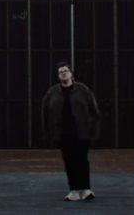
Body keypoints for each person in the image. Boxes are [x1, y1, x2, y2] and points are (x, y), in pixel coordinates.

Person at [41, 61, 100, 201]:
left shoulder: (83, 90)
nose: (63, 73)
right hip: (63, 134)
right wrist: (48, 133)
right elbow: (45, 113)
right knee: (69, 161)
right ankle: (73, 190)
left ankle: (86, 189)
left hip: (82, 132)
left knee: (82, 161)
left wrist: (93, 130)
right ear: (58, 76)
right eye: (60, 72)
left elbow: (94, 111)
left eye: (65, 71)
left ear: (71, 73)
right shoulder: (52, 93)